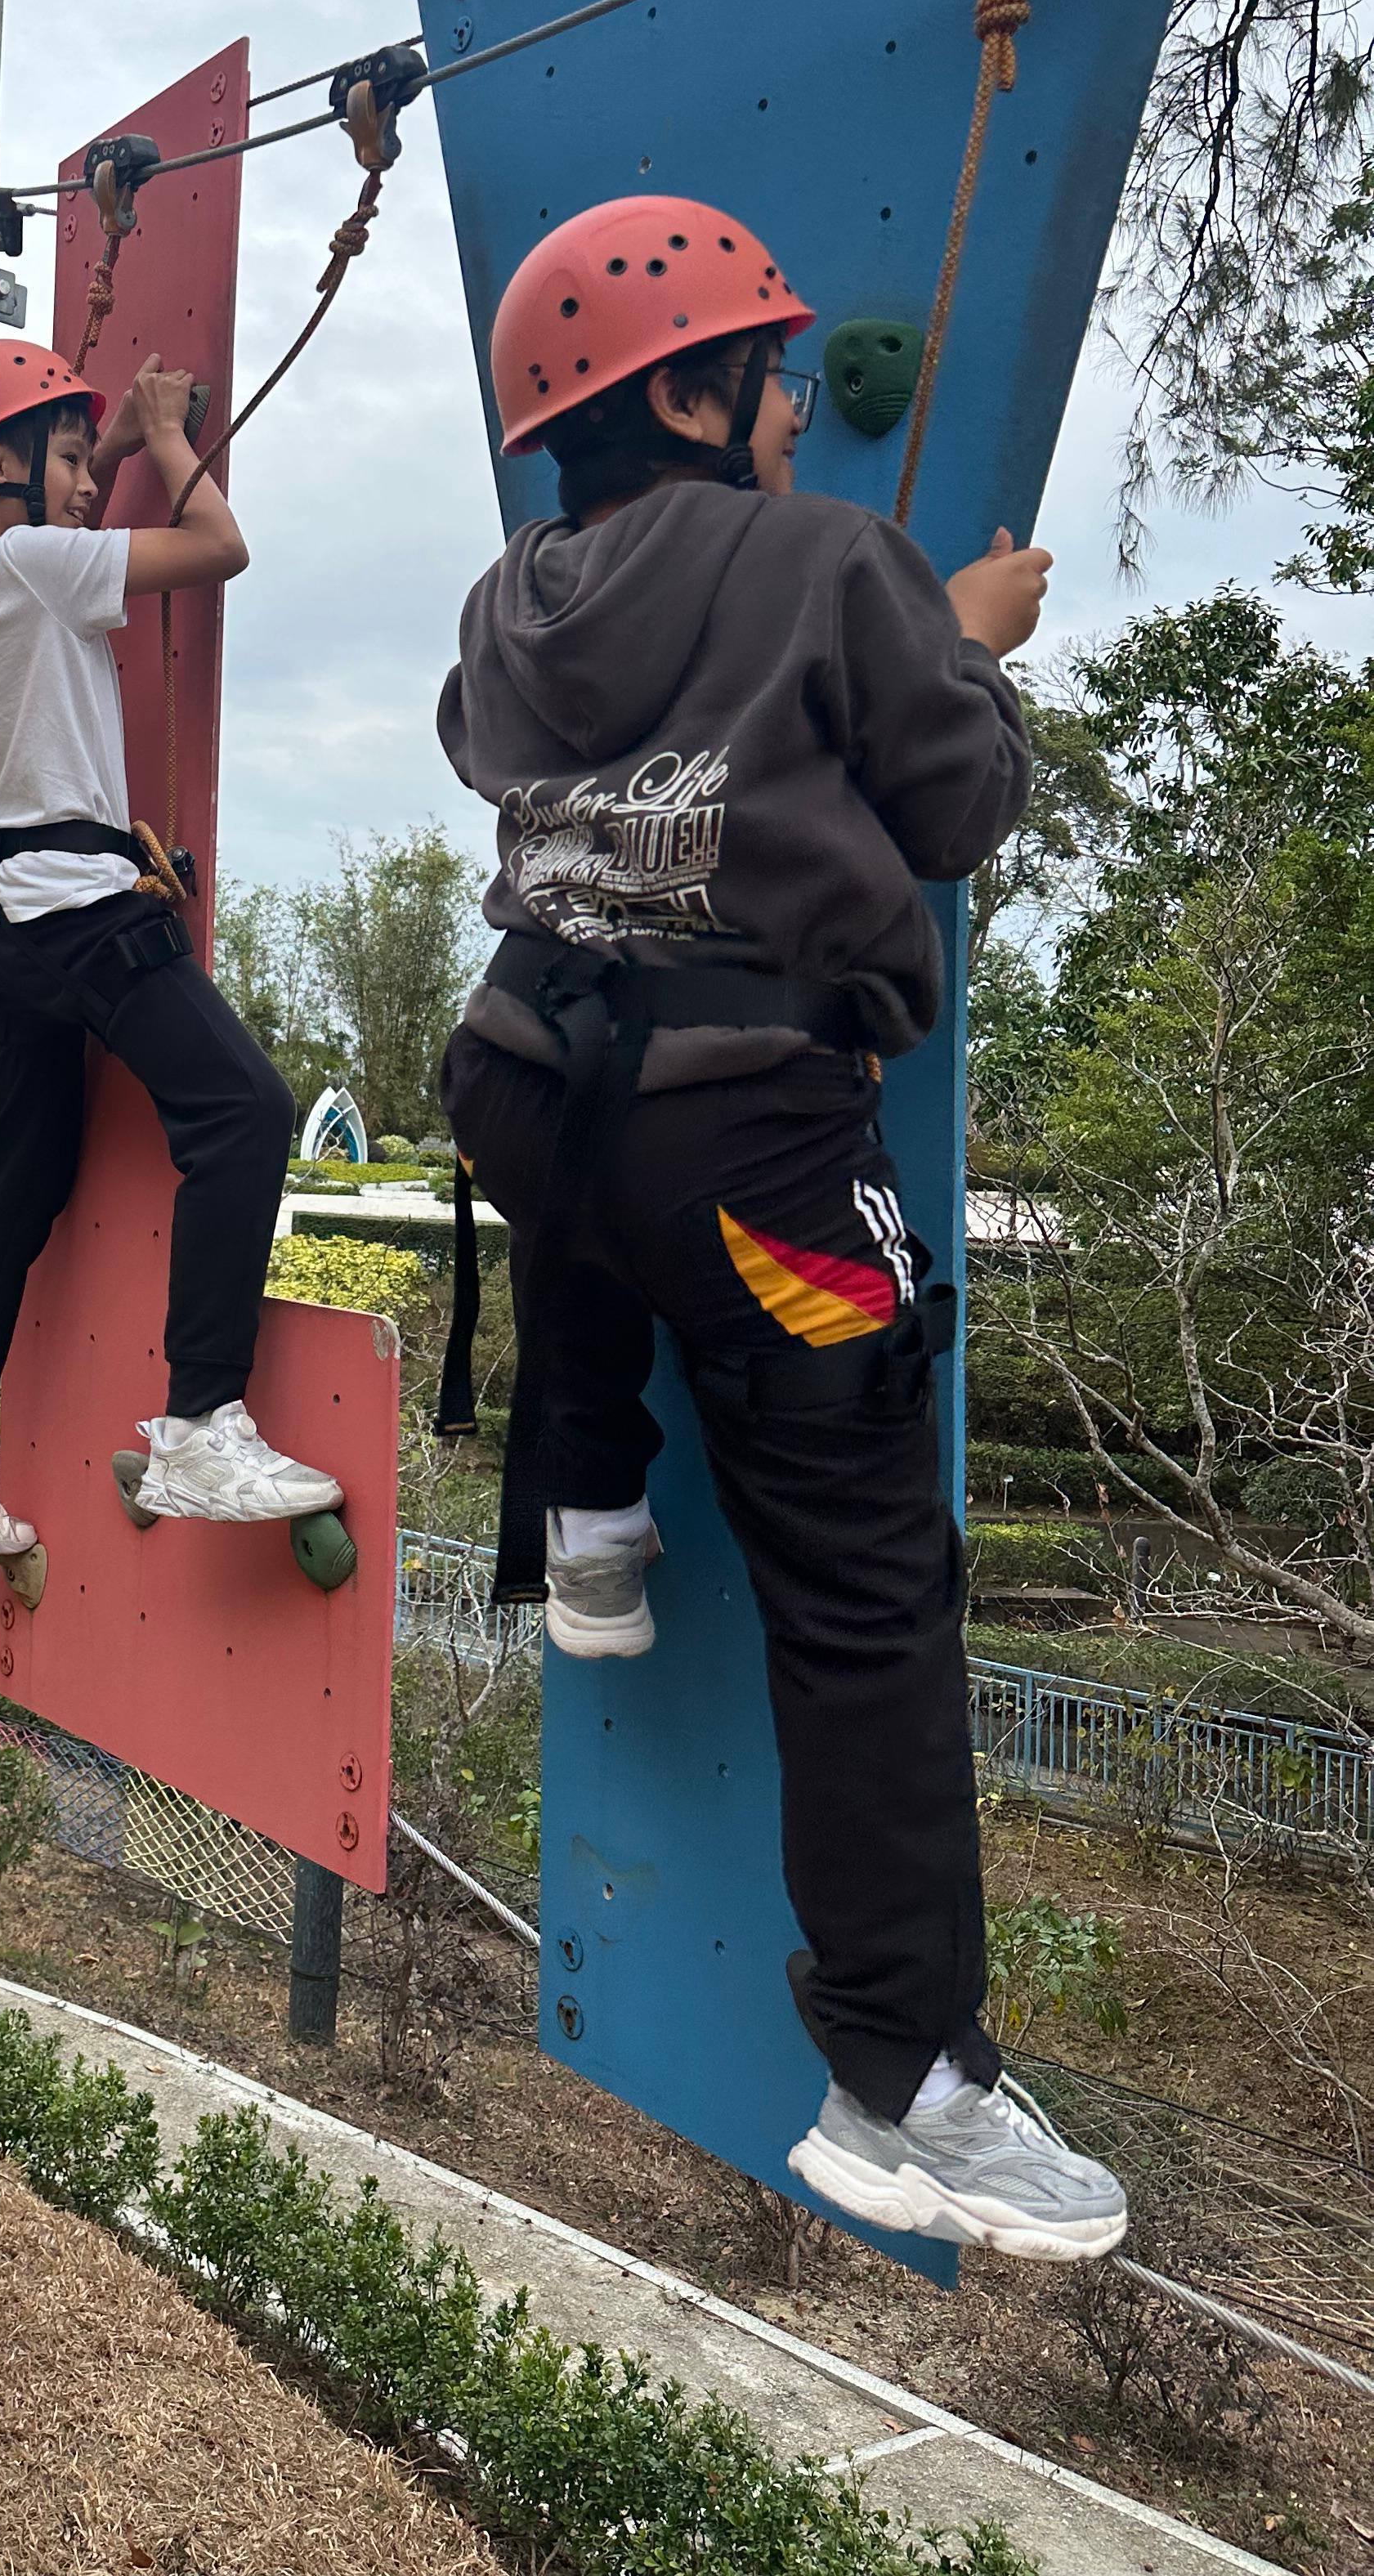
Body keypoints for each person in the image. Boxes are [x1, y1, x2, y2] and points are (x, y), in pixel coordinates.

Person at [436, 191, 1126, 2262]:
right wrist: (959, 644)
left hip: (525, 1075)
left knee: (586, 1245)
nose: (797, 417)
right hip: (742, 1131)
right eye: (772, 380)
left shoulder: (502, 603)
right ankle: (903, 2085)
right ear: (689, 397)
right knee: (865, 1582)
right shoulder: (833, 562)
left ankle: (592, 1530)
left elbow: (486, 745)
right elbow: (957, 808)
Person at [0, 338, 339, 1557]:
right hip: (83, 910)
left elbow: (54, 530)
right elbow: (219, 548)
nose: (93, 482)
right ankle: (200, 1424)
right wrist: (169, 436)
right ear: (1, 465)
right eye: (71, 460)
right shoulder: (40, 565)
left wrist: (109, 436)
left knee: (23, 1177)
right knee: (243, 1111)